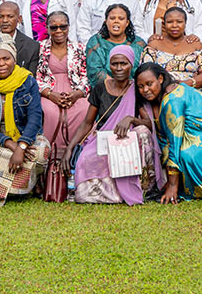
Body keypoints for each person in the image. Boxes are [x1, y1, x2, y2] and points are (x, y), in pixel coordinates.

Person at [134, 62, 202, 202]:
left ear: (160, 79)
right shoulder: (167, 91)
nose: (146, 90)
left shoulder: (171, 101)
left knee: (187, 153)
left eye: (149, 83)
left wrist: (173, 185)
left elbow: (174, 143)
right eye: (141, 86)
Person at [68, 44, 161, 205]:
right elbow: (87, 122)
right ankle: (117, 194)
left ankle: (145, 188)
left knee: (143, 132)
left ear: (131, 65)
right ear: (109, 65)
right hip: (103, 140)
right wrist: (69, 149)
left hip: (127, 143)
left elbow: (149, 124)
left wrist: (131, 119)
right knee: (85, 169)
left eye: (123, 64)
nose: (118, 68)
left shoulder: (136, 89)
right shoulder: (100, 88)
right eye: (114, 64)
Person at [0, 34, 46, 203]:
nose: (2, 63)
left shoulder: (28, 82)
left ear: (14, 58)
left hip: (26, 135)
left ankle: (18, 187)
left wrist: (22, 145)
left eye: (6, 58)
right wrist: (11, 145)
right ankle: (10, 189)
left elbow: (35, 117)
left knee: (42, 151)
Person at [36, 11, 91, 156]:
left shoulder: (80, 48)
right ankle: (49, 155)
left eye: (63, 27)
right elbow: (36, 77)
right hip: (49, 92)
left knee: (84, 108)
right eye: (54, 27)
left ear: (68, 27)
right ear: (47, 28)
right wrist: (49, 94)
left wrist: (77, 94)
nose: (58, 31)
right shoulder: (39, 49)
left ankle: (77, 154)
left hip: (75, 91)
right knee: (50, 112)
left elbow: (86, 75)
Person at [144, 5, 202, 88]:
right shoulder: (154, 45)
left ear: (185, 23)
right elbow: (146, 72)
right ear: (164, 24)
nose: (174, 25)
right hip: (162, 92)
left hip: (191, 91)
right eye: (170, 22)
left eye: (179, 22)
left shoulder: (196, 45)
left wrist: (188, 83)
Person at [86, 1, 146, 71]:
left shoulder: (138, 44)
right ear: (106, 21)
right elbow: (95, 72)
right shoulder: (96, 42)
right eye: (112, 18)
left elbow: (145, 71)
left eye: (121, 19)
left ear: (127, 23)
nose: (116, 21)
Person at [0, 1, 42, 72]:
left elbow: (31, 77)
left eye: (10, 16)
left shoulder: (31, 46)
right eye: (1, 17)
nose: (5, 20)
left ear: (19, 19)